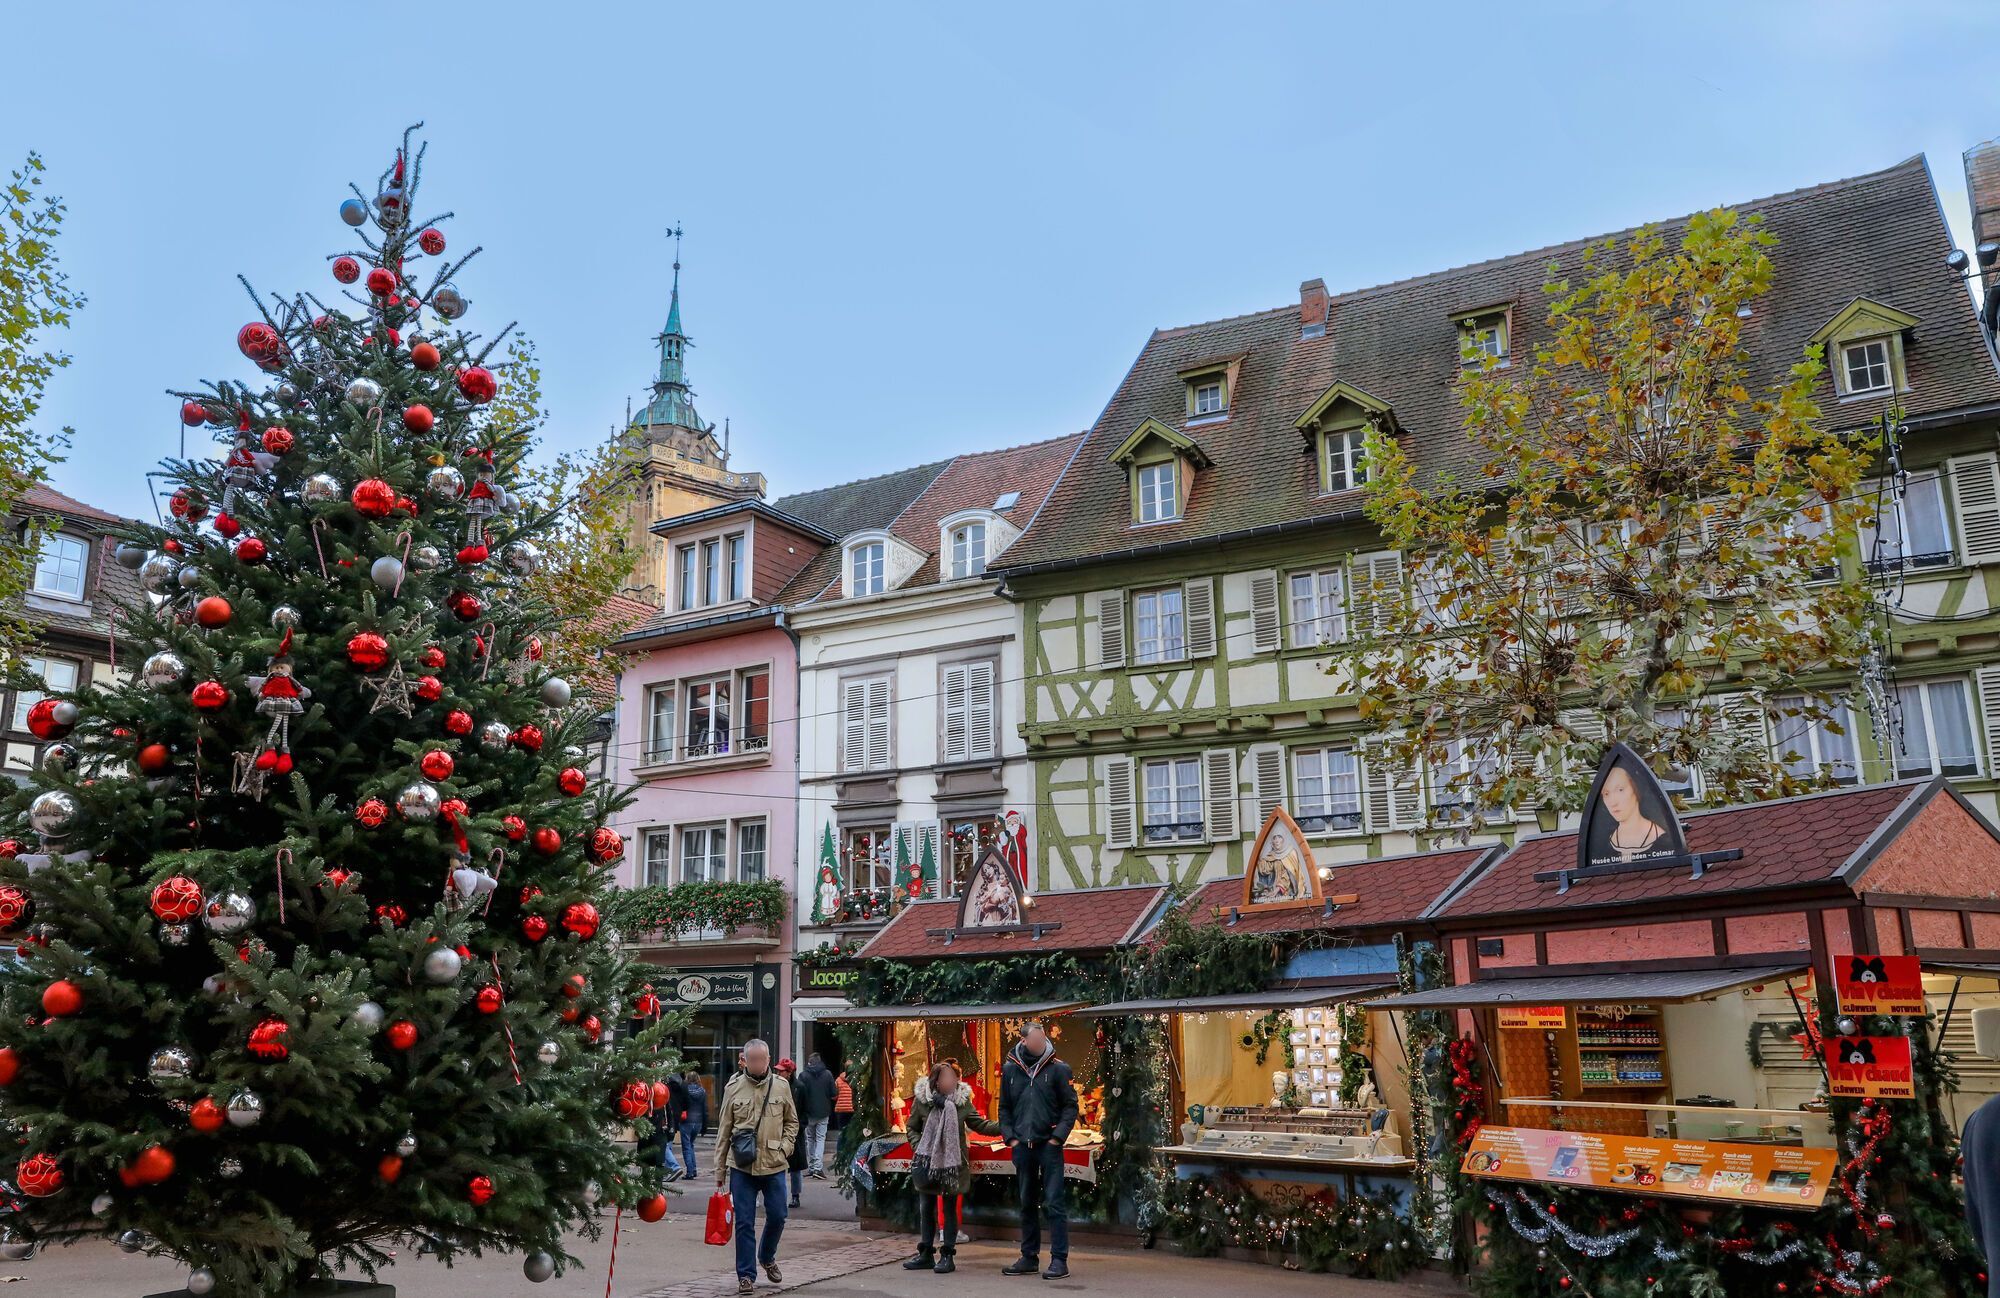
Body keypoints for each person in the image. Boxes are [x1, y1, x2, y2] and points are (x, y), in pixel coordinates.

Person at [714, 1040, 799, 1296]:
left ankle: (767, 1256)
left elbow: (792, 1123)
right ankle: (746, 1276)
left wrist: (784, 1147)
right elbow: (724, 1131)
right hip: (742, 1167)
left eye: (763, 1060)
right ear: (745, 1061)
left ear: (768, 1059)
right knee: (744, 1223)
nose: (759, 1064)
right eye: (754, 1060)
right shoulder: (734, 1088)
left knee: (778, 1215)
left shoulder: (782, 1087)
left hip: (774, 1164)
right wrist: (719, 1172)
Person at [903, 1059, 1001, 1274]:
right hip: (927, 1162)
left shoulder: (962, 1101)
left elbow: (980, 1124)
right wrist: (920, 1147)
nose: (952, 1081)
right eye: (946, 1078)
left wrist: (1006, 1127)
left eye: (954, 1078)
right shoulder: (922, 1101)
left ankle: (947, 1254)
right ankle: (926, 1253)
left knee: (949, 1209)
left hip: (952, 1163)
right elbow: (912, 1128)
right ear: (936, 1082)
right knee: (926, 1208)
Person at [998, 1021, 1078, 1279]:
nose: (1040, 1044)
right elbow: (1004, 1108)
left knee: (1054, 1202)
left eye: (1042, 1040)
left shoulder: (1058, 1069)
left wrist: (1057, 1137)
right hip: (1023, 1145)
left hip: (1048, 1146)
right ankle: (1029, 1256)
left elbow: (1070, 1106)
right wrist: (1010, 1138)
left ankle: (1059, 1260)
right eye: (1035, 1041)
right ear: (1024, 1042)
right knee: (1026, 1202)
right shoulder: (1010, 1070)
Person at [798, 1052, 838, 1179]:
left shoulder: (803, 1075)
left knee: (810, 1139)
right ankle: (818, 1168)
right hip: (824, 1112)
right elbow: (833, 1093)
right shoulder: (827, 1074)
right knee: (820, 1139)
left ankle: (811, 1167)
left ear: (809, 1062)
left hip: (809, 1112)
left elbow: (799, 1094)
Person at [777, 1058, 808, 1208]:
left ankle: (795, 1195)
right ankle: (779, 1195)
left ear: (789, 1072)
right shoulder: (775, 1086)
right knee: (778, 1164)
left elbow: (804, 1109)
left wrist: (800, 1126)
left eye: (781, 1070)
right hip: (777, 1130)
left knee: (795, 1167)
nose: (778, 1073)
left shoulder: (799, 1087)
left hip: (795, 1131)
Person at [681, 1069, 709, 1177]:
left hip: (686, 1121)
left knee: (687, 1147)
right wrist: (704, 1125)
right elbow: (705, 1109)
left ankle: (690, 1171)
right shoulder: (702, 1091)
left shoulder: (685, 1090)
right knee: (691, 1145)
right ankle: (694, 1169)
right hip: (698, 1122)